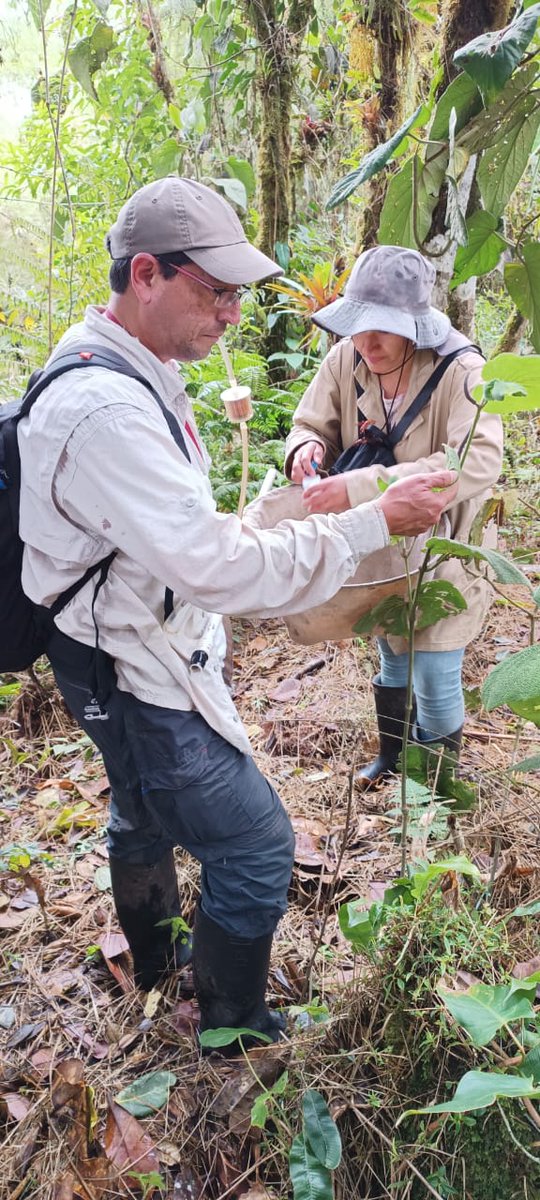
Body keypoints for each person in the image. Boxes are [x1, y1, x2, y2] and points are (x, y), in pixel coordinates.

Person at [18, 183, 456, 1050]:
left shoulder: (128, 369)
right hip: (130, 666)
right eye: (214, 291)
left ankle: (155, 960)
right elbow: (219, 569)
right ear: (146, 275)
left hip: (115, 647)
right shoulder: (105, 409)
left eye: (237, 294)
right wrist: (370, 518)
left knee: (140, 807)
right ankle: (232, 1029)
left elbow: (174, 535)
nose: (231, 312)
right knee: (256, 846)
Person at [285, 245, 503, 790]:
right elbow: (309, 422)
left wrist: (358, 485)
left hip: (444, 552)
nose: (367, 342)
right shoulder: (347, 359)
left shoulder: (463, 371)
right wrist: (305, 450)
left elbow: (476, 461)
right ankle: (394, 759)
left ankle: (437, 791)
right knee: (390, 650)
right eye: (358, 326)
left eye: (381, 330)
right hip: (380, 550)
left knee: (434, 672)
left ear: (415, 325)